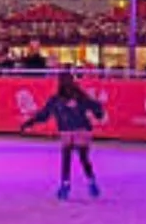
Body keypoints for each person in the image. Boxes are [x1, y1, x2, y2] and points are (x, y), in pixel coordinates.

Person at [21, 70, 106, 200]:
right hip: (81, 129)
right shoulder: (80, 97)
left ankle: (66, 185)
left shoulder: (57, 100)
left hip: (69, 130)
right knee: (83, 158)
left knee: (67, 158)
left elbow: (43, 115)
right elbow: (96, 108)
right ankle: (91, 182)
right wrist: (98, 115)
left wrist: (29, 123)